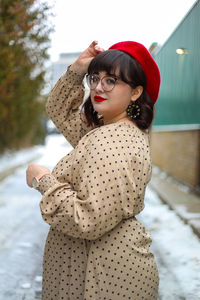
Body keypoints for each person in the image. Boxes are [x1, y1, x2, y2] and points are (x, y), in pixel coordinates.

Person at [26, 40, 161, 300]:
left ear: (135, 92)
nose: (98, 87)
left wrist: (44, 179)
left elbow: (87, 220)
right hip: (106, 272)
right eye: (95, 78)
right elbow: (59, 111)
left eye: (111, 80)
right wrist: (78, 69)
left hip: (97, 277)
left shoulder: (111, 139)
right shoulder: (107, 131)